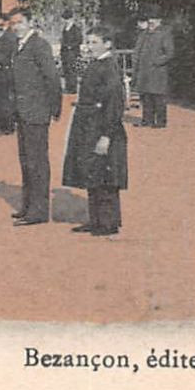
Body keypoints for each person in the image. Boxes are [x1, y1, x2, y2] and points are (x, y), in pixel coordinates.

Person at [61, 25, 128, 236]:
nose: (89, 47)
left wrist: (107, 136)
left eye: (94, 42)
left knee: (106, 176)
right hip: (88, 126)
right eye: (88, 42)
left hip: (102, 127)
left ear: (107, 44)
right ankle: (96, 219)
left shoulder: (109, 67)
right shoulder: (96, 63)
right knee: (93, 172)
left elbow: (115, 104)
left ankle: (108, 223)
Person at [9, 9, 63, 226]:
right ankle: (29, 206)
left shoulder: (39, 45)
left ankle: (38, 211)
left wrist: (54, 108)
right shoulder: (19, 46)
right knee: (26, 161)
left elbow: (52, 78)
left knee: (37, 162)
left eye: (20, 22)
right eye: (13, 23)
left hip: (36, 112)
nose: (16, 27)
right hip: (23, 112)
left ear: (30, 23)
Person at [133, 9, 174, 128]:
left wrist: (157, 62)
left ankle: (161, 122)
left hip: (157, 71)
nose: (151, 21)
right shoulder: (143, 34)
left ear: (159, 21)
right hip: (144, 71)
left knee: (158, 97)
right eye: (150, 19)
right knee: (146, 96)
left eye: (154, 19)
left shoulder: (164, 33)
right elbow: (137, 51)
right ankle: (147, 120)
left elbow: (169, 53)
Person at [59, 8, 83, 92]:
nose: (66, 21)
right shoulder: (65, 29)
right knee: (66, 71)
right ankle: (68, 87)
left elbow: (79, 40)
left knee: (72, 71)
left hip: (72, 53)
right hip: (65, 54)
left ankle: (72, 89)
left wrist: (71, 46)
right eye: (65, 19)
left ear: (71, 19)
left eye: (67, 19)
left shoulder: (75, 29)